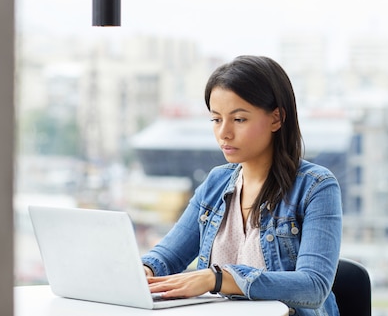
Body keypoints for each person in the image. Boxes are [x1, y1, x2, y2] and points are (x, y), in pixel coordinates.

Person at [141, 55, 343, 316]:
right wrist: (144, 272)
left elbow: (313, 286)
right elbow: (166, 257)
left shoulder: (317, 187)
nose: (224, 132)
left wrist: (217, 278)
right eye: (216, 119)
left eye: (239, 119)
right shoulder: (216, 183)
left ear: (276, 118)